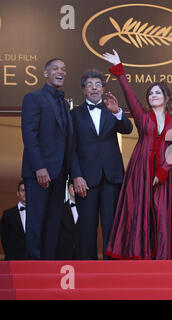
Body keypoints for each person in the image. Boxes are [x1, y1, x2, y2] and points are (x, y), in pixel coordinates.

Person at [102, 50, 172, 260]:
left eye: (157, 93)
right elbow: (129, 96)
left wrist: (163, 171)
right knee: (140, 211)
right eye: (150, 94)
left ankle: (162, 256)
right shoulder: (142, 117)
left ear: (167, 97)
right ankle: (139, 253)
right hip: (140, 170)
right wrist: (119, 70)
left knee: (163, 214)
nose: (153, 96)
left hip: (165, 174)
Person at [70, 69, 133, 260]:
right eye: (89, 85)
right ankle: (87, 269)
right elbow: (70, 149)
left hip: (111, 176)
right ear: (83, 90)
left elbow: (128, 129)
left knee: (111, 225)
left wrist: (118, 112)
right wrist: (75, 176)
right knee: (86, 226)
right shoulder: (74, 114)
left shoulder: (111, 109)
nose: (94, 88)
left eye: (98, 84)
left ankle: (111, 270)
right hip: (85, 179)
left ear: (104, 88)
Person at [21, 58, 73, 260]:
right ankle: (33, 266)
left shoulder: (65, 104)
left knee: (53, 222)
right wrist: (39, 168)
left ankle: (48, 266)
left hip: (60, 174)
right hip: (39, 173)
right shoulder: (33, 98)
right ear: (45, 73)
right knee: (36, 220)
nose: (60, 71)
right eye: (55, 68)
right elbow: (29, 135)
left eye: (63, 69)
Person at [0, 181, 27, 260]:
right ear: (17, 193)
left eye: (28, 190)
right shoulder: (8, 214)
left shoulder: (37, 214)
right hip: (13, 258)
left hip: (33, 259)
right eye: (23, 190)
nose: (25, 193)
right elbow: (4, 238)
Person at [56, 182, 81, 260]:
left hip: (82, 255)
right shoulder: (59, 209)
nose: (75, 188)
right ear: (68, 189)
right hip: (63, 255)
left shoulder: (88, 209)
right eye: (72, 186)